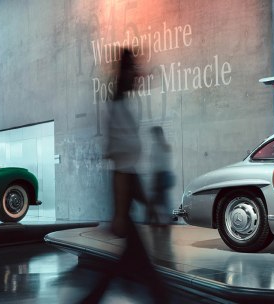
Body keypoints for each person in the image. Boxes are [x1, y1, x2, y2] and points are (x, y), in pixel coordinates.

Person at [82, 48, 167, 304]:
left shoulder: (123, 106)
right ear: (124, 74)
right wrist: (120, 212)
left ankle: (94, 297)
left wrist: (146, 201)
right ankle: (159, 296)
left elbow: (127, 166)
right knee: (137, 261)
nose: (138, 76)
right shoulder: (118, 109)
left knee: (130, 258)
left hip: (128, 188)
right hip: (123, 190)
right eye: (133, 70)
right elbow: (121, 165)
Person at [148, 126, 173, 226]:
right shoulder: (166, 145)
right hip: (164, 174)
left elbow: (155, 162)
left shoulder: (157, 146)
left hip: (159, 175)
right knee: (163, 197)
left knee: (160, 197)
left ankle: (160, 218)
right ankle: (163, 218)